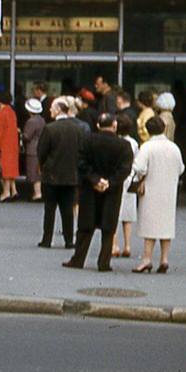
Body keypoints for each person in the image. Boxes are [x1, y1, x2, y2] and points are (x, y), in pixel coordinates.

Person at [63, 113, 134, 272]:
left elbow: (81, 163)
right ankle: (104, 263)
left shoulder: (87, 141)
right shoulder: (123, 145)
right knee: (108, 228)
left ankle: (78, 259)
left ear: (98, 125)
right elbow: (125, 169)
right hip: (112, 191)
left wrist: (95, 180)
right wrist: (109, 182)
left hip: (89, 189)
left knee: (85, 226)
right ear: (114, 125)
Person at [130, 115, 184, 274]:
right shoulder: (174, 147)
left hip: (151, 188)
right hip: (169, 190)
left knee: (150, 224)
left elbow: (139, 167)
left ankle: (147, 259)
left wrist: (141, 178)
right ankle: (164, 259)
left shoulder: (147, 147)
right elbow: (181, 168)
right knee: (166, 224)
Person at [37, 97, 83, 249]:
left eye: (51, 108)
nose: (49, 110)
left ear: (58, 110)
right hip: (71, 174)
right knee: (68, 209)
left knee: (49, 209)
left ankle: (47, 239)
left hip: (51, 174)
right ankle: (69, 240)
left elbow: (42, 151)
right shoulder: (77, 129)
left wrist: (43, 166)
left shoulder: (50, 128)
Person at [110, 116, 140, 258]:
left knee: (114, 212)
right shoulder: (133, 142)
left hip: (116, 179)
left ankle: (114, 245)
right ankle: (127, 245)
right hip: (130, 179)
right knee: (128, 215)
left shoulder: (115, 142)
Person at [0, 92, 20, 202]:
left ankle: (6, 192)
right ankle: (14, 190)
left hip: (3, 144)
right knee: (11, 168)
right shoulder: (12, 112)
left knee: (5, 170)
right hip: (12, 143)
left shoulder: (0, 113)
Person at [22, 97, 46, 201]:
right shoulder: (42, 120)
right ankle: (38, 192)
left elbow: (27, 136)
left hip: (32, 148)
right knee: (38, 171)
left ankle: (37, 193)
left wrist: (21, 134)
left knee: (33, 172)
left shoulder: (31, 121)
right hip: (40, 146)